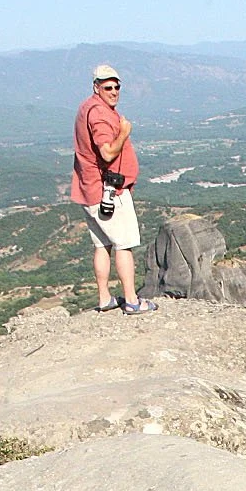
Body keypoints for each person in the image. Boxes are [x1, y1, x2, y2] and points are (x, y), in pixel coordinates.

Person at [73, 64, 155, 315]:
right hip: (109, 192)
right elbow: (107, 151)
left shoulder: (87, 107)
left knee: (102, 244)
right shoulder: (98, 113)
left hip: (90, 189)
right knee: (124, 244)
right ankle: (132, 301)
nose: (114, 91)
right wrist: (125, 133)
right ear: (96, 87)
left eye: (117, 86)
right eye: (108, 87)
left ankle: (104, 298)